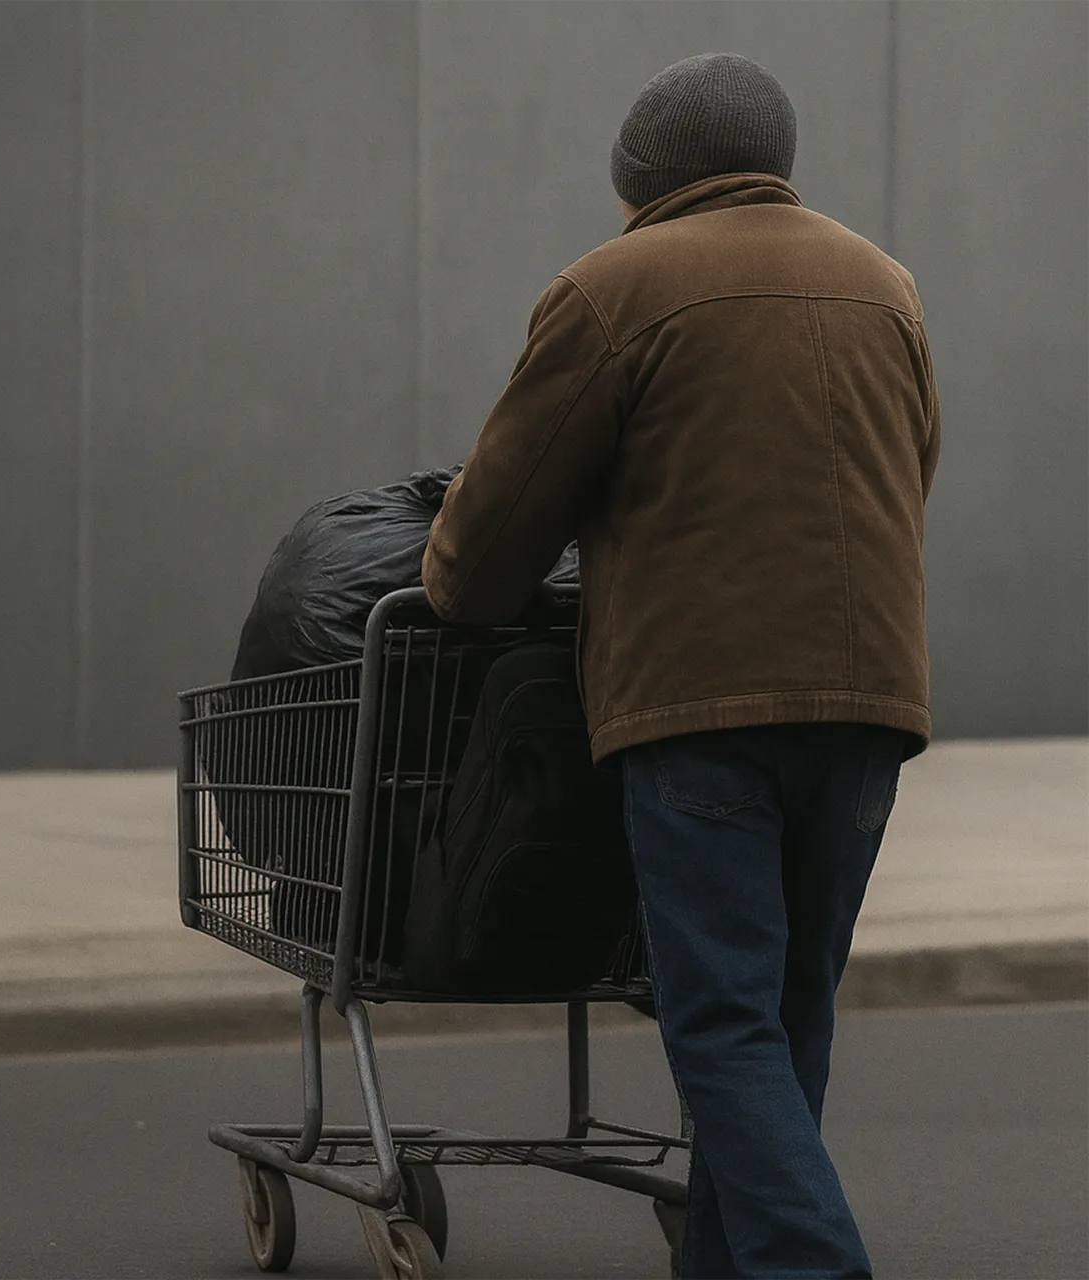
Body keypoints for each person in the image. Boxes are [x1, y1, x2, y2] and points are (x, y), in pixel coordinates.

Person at [421, 53, 939, 1280]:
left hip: (700, 705)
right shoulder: (887, 286)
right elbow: (909, 473)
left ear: (642, 176)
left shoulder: (613, 287)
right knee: (790, 1010)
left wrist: (450, 584)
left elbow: (493, 539)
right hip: (869, 698)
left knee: (719, 1016)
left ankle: (815, 1265)